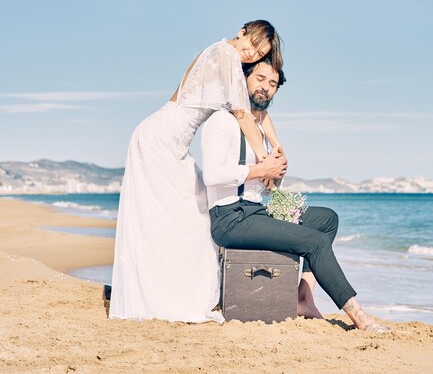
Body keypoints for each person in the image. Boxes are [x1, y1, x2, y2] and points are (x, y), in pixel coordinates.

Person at [109, 20, 282, 323]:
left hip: (171, 142)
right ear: (241, 31)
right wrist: (264, 161)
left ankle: (162, 292)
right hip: (160, 140)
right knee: (189, 216)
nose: (251, 54)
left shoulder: (224, 55)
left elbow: (259, 113)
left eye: (259, 53)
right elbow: (242, 114)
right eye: (252, 44)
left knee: (183, 216)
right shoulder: (226, 54)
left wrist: (274, 147)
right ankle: (163, 296)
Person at [201, 60, 392, 332]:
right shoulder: (222, 121)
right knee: (314, 242)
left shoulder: (259, 131)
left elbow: (261, 185)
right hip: (230, 217)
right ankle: (359, 316)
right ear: (244, 78)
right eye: (260, 79)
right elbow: (212, 175)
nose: (265, 88)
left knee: (326, 220)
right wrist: (259, 169)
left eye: (273, 84)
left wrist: (275, 174)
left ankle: (303, 296)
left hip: (255, 212)